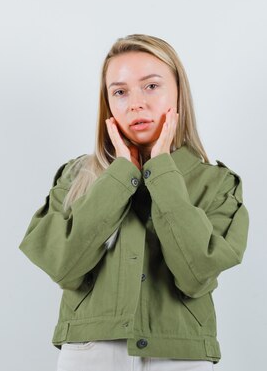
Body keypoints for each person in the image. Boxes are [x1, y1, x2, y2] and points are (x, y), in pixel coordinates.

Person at [18, 34, 249, 371]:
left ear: (178, 93)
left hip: (181, 355)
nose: (136, 103)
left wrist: (161, 172)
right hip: (89, 352)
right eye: (120, 92)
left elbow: (196, 275)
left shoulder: (217, 184)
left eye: (151, 86)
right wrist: (121, 174)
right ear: (107, 104)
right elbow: (64, 267)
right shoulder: (75, 176)